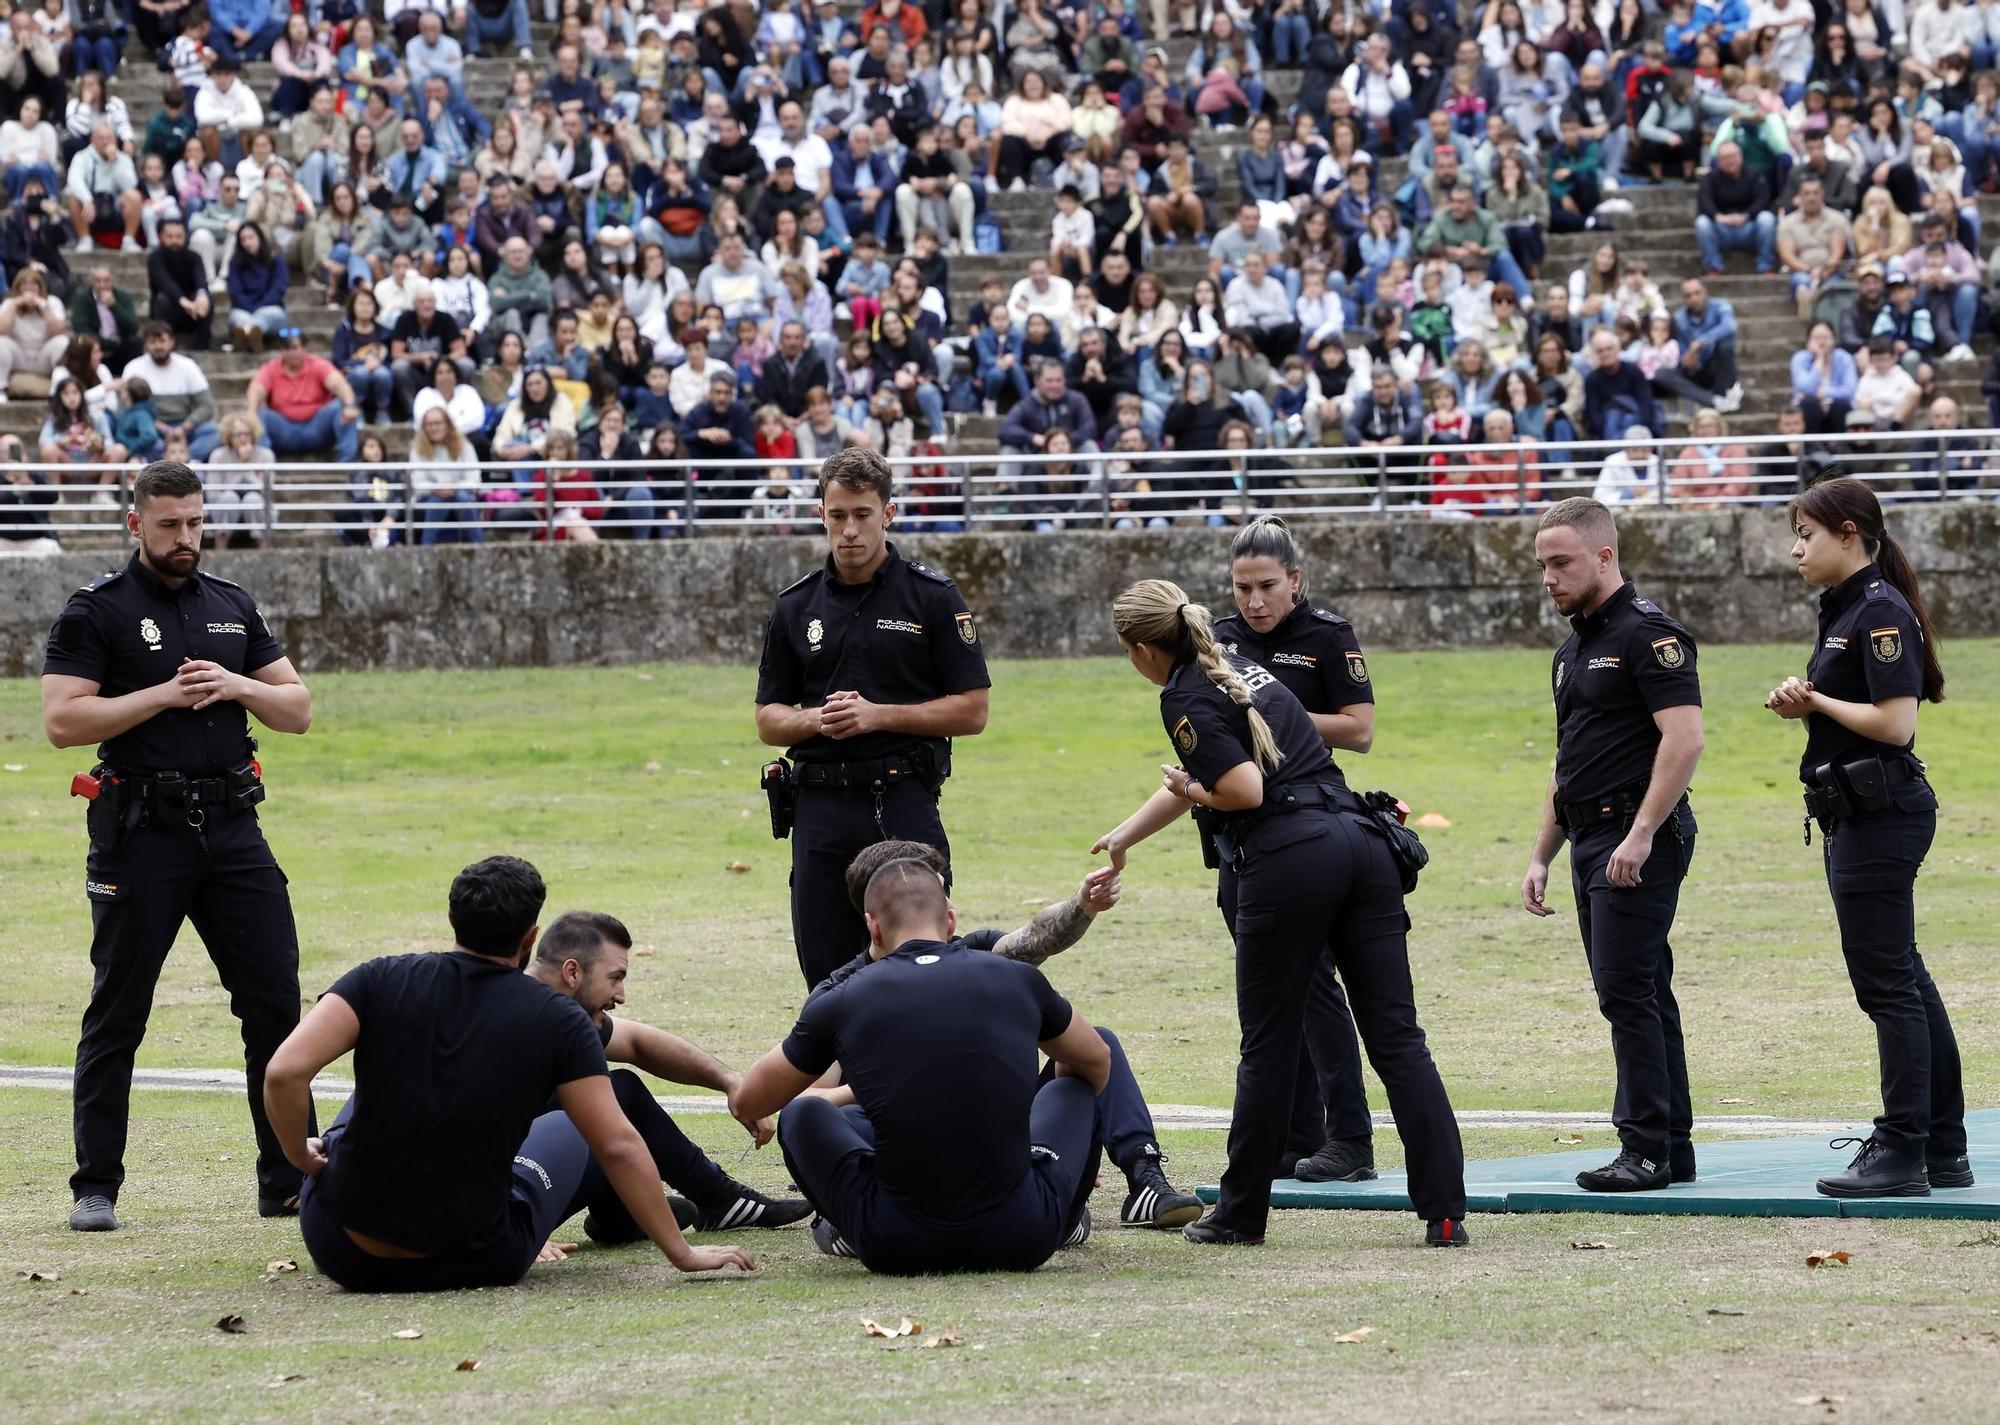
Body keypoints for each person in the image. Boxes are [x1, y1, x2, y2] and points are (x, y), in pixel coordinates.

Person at [1092, 579, 1467, 1246]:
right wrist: (1124, 836)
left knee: (1267, 1044)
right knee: (1398, 1037)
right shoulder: (1237, 666)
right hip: (1361, 842)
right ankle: (1444, 1212)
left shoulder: (1182, 691)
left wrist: (1197, 789)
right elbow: (1212, 776)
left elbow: (1238, 786)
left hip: (1292, 858)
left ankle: (1240, 1212)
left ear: (1140, 648)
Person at [263, 856, 757, 1290]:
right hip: (476, 1257)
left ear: (452, 919)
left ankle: (626, 1213)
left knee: (372, 1097)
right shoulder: (560, 1020)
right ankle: (640, 1212)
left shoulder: (377, 978)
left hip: (345, 1252)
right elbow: (617, 1145)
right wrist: (683, 1254)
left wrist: (298, 1157)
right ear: (530, 938)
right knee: (590, 1116)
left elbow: (284, 1072)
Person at [41, 462, 315, 1233]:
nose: (185, 537)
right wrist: (162, 695)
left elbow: (296, 709)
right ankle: (95, 1184)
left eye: (195, 522)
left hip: (232, 829)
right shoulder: (97, 611)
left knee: (275, 1002)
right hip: (140, 834)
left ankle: (286, 1176)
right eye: (169, 525)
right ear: (136, 525)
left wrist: (238, 685)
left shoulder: (231, 605)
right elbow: (64, 721)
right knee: (118, 1010)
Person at [732, 857, 1111, 1272]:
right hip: (1023, 1235)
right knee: (1069, 1085)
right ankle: (1066, 1218)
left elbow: (750, 1101)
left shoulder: (843, 997)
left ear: (872, 926)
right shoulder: (1015, 978)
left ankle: (843, 1228)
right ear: (950, 919)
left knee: (802, 1113)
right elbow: (1096, 1060)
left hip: (897, 1243)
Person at [1765, 479, 1969, 1198]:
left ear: (1848, 533)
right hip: (1857, 812)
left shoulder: (1878, 611)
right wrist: (1810, 702)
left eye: (1806, 533)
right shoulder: (1850, 609)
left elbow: (1896, 724)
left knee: (1886, 984)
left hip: (1881, 814)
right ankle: (1941, 1147)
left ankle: (1904, 1150)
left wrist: (1815, 697)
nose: (1796, 547)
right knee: (1903, 977)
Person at [753, 447, 990, 988]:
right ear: (821, 515)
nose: (850, 530)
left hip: (900, 797)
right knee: (827, 973)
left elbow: (973, 711)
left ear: (888, 513)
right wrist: (818, 722)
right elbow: (768, 719)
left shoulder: (931, 596)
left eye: (862, 514)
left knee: (923, 961)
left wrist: (878, 716)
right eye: (837, 516)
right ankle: (839, 1075)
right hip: (817, 804)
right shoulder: (796, 605)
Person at [1521, 497, 1704, 1193]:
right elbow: (1566, 762)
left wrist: (1642, 832)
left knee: (1625, 991)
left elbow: (1684, 739)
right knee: (1643, 988)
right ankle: (1670, 1145)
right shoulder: (1572, 650)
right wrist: (1541, 852)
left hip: (1636, 834)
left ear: (1604, 556)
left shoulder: (1648, 635)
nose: (1549, 578)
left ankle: (1645, 1147)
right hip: (1589, 836)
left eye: (1561, 562)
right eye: (1542, 565)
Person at [1209, 517, 1380, 1184]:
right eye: (1243, 587)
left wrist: (1267, 712)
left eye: (1268, 586)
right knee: (1273, 993)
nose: (1255, 600)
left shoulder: (1327, 636)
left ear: (1296, 581)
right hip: (1236, 837)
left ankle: (1350, 1137)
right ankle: (1299, 1133)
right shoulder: (1217, 640)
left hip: (1304, 833)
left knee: (1313, 987)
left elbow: (1360, 729)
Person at [523, 910, 811, 1235]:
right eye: (615, 978)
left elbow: (637, 1043)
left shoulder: (554, 1012)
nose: (621, 995)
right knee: (620, 1093)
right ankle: (717, 1199)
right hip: (503, 1201)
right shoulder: (515, 1019)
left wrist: (730, 1082)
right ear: (572, 971)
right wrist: (523, 1222)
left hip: (525, 1180)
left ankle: (621, 1213)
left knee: (612, 1095)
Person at [247, 328, 361, 464]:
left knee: (341, 406)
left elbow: (340, 385)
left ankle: (348, 465)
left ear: (305, 349)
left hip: (317, 429)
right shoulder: (271, 368)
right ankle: (262, 467)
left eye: (295, 348)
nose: (291, 353)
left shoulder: (318, 365)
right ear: (280, 351)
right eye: (286, 349)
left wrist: (349, 405)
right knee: (258, 414)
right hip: (284, 431)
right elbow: (256, 388)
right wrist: (251, 410)